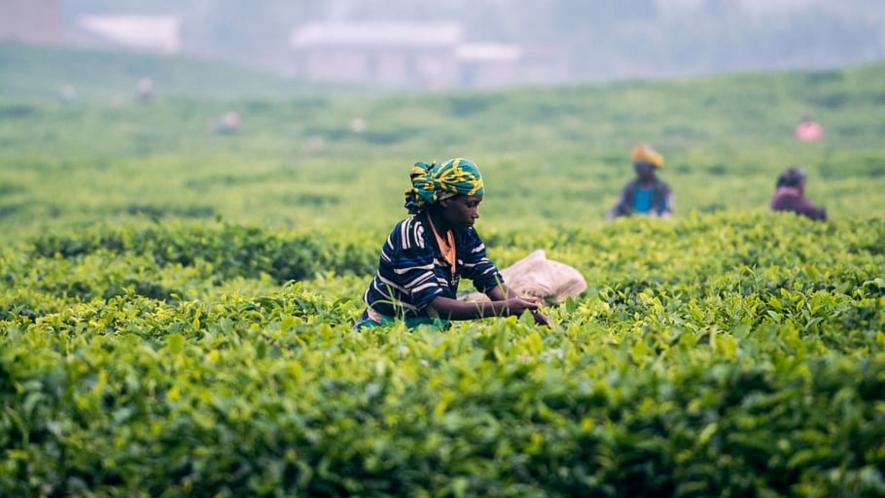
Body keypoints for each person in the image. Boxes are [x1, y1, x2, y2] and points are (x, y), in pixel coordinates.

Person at [355, 158, 550, 329]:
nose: (476, 213)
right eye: (470, 204)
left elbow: (490, 281)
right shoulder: (412, 235)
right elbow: (433, 304)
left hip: (431, 323)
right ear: (446, 200)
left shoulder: (464, 233)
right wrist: (501, 309)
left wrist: (528, 311)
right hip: (390, 324)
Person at [607, 144, 674, 219]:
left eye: (642, 167)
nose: (639, 171)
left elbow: (667, 210)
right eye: (638, 167)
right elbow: (619, 207)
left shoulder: (662, 188)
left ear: (652, 168)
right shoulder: (630, 187)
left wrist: (656, 217)